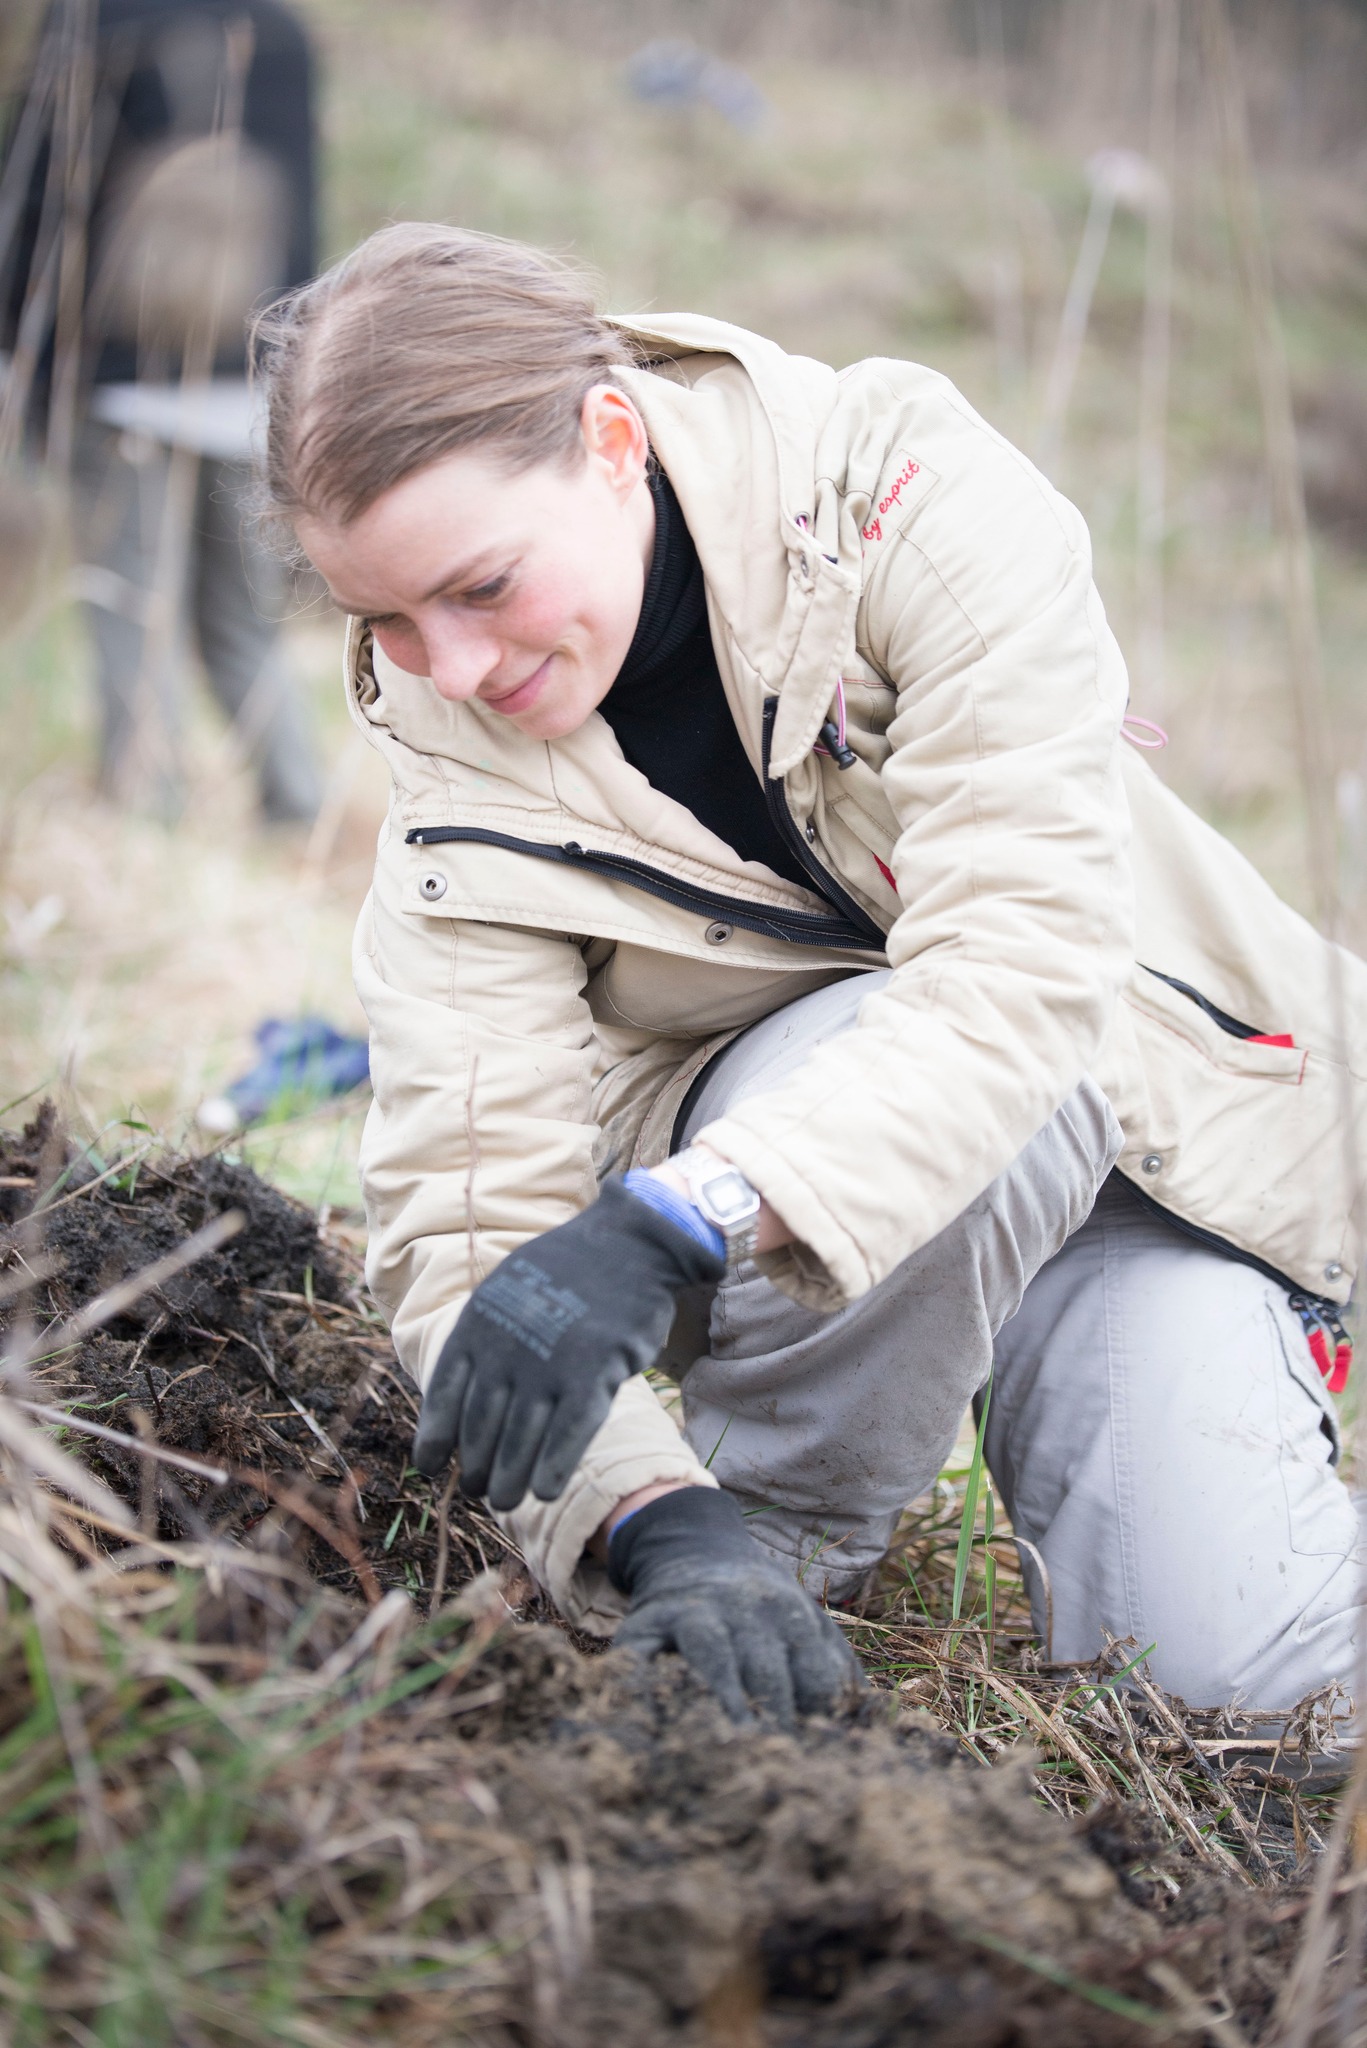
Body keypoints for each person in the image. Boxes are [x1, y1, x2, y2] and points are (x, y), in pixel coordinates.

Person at [254, 222, 1366, 1727]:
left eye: (481, 586)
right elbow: (466, 1239)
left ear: (608, 438)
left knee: (1246, 1696)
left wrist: (673, 1224)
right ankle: (772, 1540)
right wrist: (661, 1525)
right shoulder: (450, 785)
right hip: (808, 1268)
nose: (445, 668)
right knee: (881, 1079)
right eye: (381, 619)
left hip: (1159, 1149)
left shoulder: (898, 500)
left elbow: (1019, 973)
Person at [1, 0, 322, 822]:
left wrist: (25, 369)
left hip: (121, 380)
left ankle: (149, 815)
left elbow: (32, 200)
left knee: (126, 606)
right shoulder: (280, 32)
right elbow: (302, 220)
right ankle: (298, 807)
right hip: (251, 384)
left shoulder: (93, 22)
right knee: (246, 621)